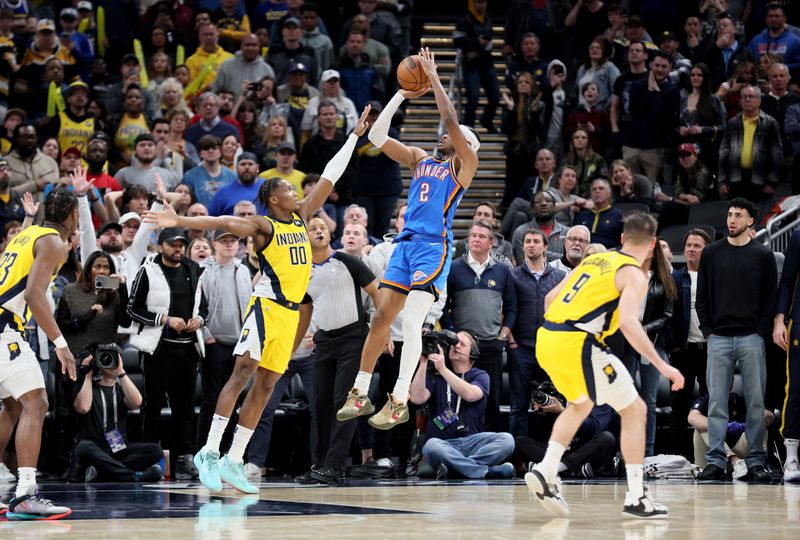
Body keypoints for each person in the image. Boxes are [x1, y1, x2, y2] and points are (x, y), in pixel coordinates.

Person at [143, 106, 372, 493]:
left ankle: (235, 458)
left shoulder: (302, 216)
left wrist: (353, 137)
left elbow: (330, 177)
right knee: (243, 372)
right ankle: (210, 452)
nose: (293, 189)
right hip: (266, 306)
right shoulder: (263, 225)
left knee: (266, 386)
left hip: (290, 314)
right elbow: (222, 223)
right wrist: (180, 221)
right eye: (286, 188)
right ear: (272, 198)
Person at [336, 48, 479, 431]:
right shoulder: (420, 158)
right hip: (406, 244)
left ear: (464, 143)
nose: (445, 135)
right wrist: (401, 93)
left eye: (454, 135)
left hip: (434, 247)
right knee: (382, 318)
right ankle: (360, 392)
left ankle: (398, 399)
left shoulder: (464, 166)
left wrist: (432, 77)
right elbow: (379, 136)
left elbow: (450, 119)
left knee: (413, 321)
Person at [527, 212, 684, 519]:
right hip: (579, 342)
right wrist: (663, 366)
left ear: (623, 239)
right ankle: (637, 496)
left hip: (547, 338)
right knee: (636, 410)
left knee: (579, 404)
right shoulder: (633, 274)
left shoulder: (593, 261)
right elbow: (628, 322)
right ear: (653, 246)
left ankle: (546, 469)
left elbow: (549, 299)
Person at [0, 188, 78, 519]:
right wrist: (61, 343)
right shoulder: (53, 242)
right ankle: (26, 494)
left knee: (14, 405)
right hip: (5, 329)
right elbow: (33, 294)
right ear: (74, 216)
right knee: (37, 403)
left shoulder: (24, 234)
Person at [695, 198, 776, 483]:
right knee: (716, 402)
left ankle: (756, 460)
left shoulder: (763, 255)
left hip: (751, 338)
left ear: (750, 221)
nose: (731, 220)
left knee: (756, 401)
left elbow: (770, 298)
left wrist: (760, 331)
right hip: (718, 338)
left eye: (738, 215)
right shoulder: (712, 253)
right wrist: (708, 329)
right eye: (729, 214)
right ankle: (716, 461)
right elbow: (701, 296)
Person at [301, 217, 381, 484]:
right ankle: (318, 464)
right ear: (305, 237)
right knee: (320, 405)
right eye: (313, 228)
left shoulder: (348, 261)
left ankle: (334, 467)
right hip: (323, 341)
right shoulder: (303, 271)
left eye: (323, 227)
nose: (319, 231)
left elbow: (377, 293)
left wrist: (381, 330)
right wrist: (292, 347)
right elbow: (304, 311)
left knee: (343, 404)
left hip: (353, 339)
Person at [127, 226, 209, 480]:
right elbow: (132, 309)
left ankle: (183, 459)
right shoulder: (148, 270)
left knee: (185, 408)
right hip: (158, 348)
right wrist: (165, 319)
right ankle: (150, 459)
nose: (177, 248)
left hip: (188, 349)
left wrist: (199, 320)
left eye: (181, 244)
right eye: (172, 244)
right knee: (152, 407)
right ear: (160, 245)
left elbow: (202, 307)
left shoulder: (193, 270)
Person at [409, 331, 515, 479]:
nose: (455, 346)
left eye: (462, 344)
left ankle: (456, 468)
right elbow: (416, 398)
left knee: (507, 440)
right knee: (431, 445)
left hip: (473, 444)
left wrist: (443, 369)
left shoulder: (480, 375)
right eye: (453, 343)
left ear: (473, 353)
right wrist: (423, 362)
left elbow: (471, 395)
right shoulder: (435, 375)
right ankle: (484, 471)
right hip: (443, 445)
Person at [442, 221, 516, 432]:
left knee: (491, 399)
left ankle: (491, 442)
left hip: (491, 345)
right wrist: (454, 334)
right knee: (456, 395)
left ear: (492, 242)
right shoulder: (454, 268)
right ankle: (454, 438)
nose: (475, 239)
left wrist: (503, 334)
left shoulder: (502, 270)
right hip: (460, 348)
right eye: (472, 235)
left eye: (481, 236)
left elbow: (512, 307)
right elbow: (442, 306)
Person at [196, 229, 253, 468]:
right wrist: (206, 334)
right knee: (212, 400)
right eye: (225, 241)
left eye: (234, 240)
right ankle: (205, 452)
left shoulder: (243, 270)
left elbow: (250, 304)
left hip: (238, 342)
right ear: (214, 244)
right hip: (214, 341)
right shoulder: (203, 270)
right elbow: (198, 304)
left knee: (236, 400)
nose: (230, 244)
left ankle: (230, 456)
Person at [73, 350, 164, 483]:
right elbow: (83, 407)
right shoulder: (87, 387)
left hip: (118, 446)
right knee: (83, 447)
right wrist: (88, 375)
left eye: (114, 358)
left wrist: (121, 372)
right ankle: (135, 476)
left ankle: (103, 473)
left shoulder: (122, 389)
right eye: (105, 359)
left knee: (155, 450)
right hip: (95, 445)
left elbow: (137, 402)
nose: (110, 363)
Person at [508, 229, 565, 438]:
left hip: (550, 349)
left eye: (536, 241)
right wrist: (512, 341)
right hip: (521, 348)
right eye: (527, 242)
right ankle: (519, 455)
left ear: (545, 247)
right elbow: (507, 308)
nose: (531, 245)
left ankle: (548, 451)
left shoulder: (560, 276)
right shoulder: (513, 275)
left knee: (551, 402)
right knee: (518, 405)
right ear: (523, 247)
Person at [670, 228, 712, 458]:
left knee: (711, 403)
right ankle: (679, 458)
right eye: (688, 245)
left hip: (709, 350)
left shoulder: (714, 277)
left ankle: (708, 456)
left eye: (697, 246)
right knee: (679, 406)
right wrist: (672, 346)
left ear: (706, 251)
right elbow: (666, 315)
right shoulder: (675, 278)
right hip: (682, 351)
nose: (691, 249)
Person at [689, 391, 775, 480]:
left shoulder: (739, 399)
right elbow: (692, 417)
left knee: (761, 428)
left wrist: (743, 426)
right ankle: (733, 459)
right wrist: (725, 426)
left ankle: (757, 466)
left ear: (732, 382)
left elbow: (769, 416)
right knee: (701, 427)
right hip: (711, 459)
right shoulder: (706, 398)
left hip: (741, 459)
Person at [718, 85, 782, 203]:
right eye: (744, 97)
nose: (747, 99)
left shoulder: (770, 123)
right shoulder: (732, 122)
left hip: (760, 179)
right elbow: (724, 152)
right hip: (735, 178)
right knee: (737, 216)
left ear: (759, 100)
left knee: (758, 217)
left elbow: (777, 154)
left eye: (751, 96)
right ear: (740, 101)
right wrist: (722, 180)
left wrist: (772, 182)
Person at [772, 226, 800, 482]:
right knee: (797, 389)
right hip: (799, 323)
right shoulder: (799, 233)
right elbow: (788, 280)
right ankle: (791, 456)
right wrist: (780, 320)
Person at [454, 0, 500, 132]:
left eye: (484, 2)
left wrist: (483, 44)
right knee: (473, 96)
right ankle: (469, 128)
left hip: (486, 62)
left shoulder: (488, 17)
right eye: (478, 2)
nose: (481, 5)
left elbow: (489, 37)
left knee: (495, 96)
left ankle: (486, 120)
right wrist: (476, 43)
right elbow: (457, 39)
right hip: (471, 65)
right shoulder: (464, 19)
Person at [500, 72, 542, 209]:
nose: (523, 84)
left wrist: (534, 112)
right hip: (514, 151)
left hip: (531, 152)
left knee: (529, 183)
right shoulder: (510, 103)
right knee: (512, 184)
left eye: (527, 82)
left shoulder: (538, 104)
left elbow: (539, 130)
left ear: (532, 86)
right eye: (520, 82)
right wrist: (512, 110)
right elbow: (505, 128)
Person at [182, 135, 238, 208]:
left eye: (214, 148)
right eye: (206, 148)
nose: (210, 151)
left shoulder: (232, 176)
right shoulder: (189, 176)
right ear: (200, 154)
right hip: (199, 217)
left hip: (225, 217)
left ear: (220, 152)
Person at [208, 152, 264, 217]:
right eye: (243, 164)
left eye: (250, 164)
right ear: (236, 168)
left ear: (257, 167)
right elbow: (212, 218)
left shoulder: (269, 189)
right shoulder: (223, 192)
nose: (247, 167)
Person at [574, 178, 624, 249]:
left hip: (609, 256)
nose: (597, 191)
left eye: (601, 188)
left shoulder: (619, 216)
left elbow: (626, 243)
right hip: (583, 255)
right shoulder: (581, 216)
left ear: (609, 194)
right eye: (594, 189)